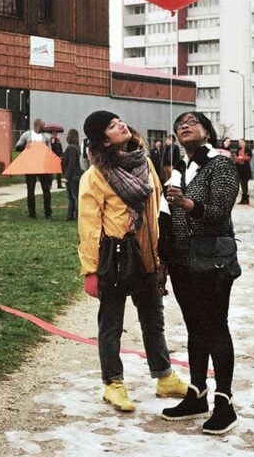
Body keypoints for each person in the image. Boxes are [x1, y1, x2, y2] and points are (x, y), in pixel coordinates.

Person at [78, 110, 188, 413]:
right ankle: (113, 384)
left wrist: (163, 249)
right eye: (113, 126)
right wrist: (90, 270)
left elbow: (156, 209)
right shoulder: (95, 176)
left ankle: (164, 376)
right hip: (116, 259)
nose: (122, 125)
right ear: (104, 139)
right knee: (111, 323)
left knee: (154, 319)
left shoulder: (145, 163)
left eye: (120, 121)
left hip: (148, 256)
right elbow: (88, 226)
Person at [158, 111, 240, 435]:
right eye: (179, 124)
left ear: (207, 132)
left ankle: (224, 402)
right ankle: (197, 394)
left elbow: (221, 210)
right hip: (180, 262)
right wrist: (163, 264)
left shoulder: (219, 165)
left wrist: (188, 204)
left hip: (211, 261)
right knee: (195, 328)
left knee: (215, 327)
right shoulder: (177, 171)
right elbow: (165, 221)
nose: (184, 126)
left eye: (192, 122)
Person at [16, 118, 53, 219]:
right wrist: (25, 147)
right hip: (31, 166)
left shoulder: (46, 137)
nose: (45, 127)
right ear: (37, 126)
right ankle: (32, 213)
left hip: (43, 166)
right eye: (43, 125)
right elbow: (17, 147)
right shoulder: (27, 135)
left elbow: (50, 151)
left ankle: (48, 213)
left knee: (46, 189)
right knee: (30, 189)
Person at [61, 128, 83, 221]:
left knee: (73, 197)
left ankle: (74, 215)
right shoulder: (78, 147)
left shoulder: (71, 148)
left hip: (72, 176)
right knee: (75, 196)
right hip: (78, 174)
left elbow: (71, 163)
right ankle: (72, 215)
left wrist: (66, 176)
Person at [235, 139, 252, 204]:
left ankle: (246, 199)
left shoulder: (248, 149)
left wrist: (241, 157)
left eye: (242, 142)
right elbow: (236, 158)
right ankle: (244, 199)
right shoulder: (238, 150)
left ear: (245, 143)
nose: (240, 143)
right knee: (242, 184)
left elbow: (249, 157)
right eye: (239, 143)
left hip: (245, 170)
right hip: (239, 169)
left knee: (245, 184)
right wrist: (241, 158)